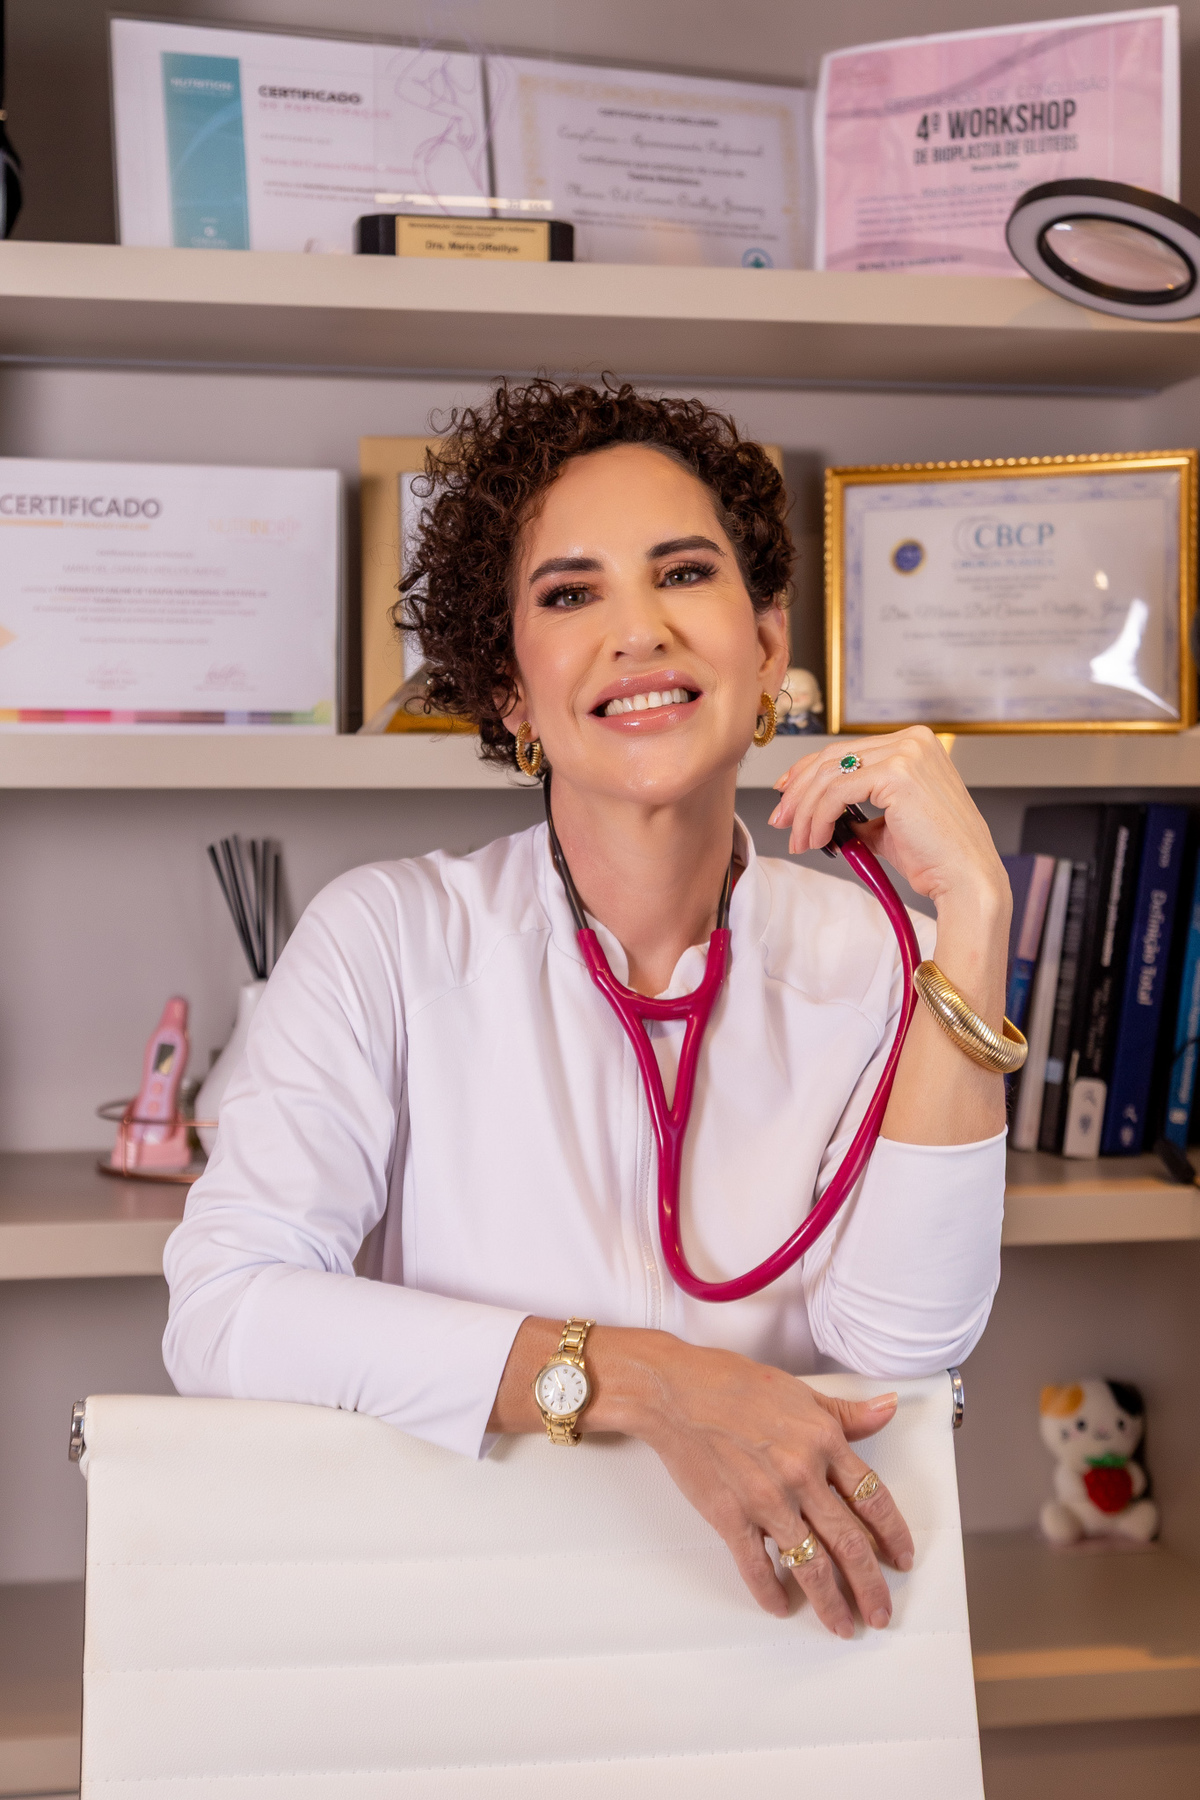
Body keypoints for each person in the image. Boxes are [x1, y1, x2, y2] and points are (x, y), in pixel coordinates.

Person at [164, 379, 1009, 1640]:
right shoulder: (388, 938)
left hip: (782, 1632)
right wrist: (650, 1381)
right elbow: (225, 1314)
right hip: (460, 1626)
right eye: (570, 595)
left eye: (684, 574)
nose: (638, 631)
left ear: (765, 644)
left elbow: (900, 1352)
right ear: (511, 690)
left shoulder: (892, 961)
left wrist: (976, 915)